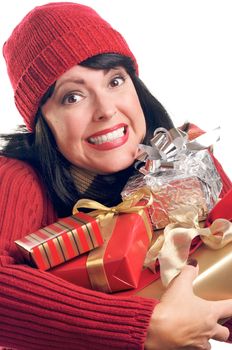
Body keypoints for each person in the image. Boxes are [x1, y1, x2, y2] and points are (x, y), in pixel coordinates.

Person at [0, 2, 232, 350]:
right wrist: (145, 327)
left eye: (115, 80)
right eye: (72, 96)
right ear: (42, 123)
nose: (106, 109)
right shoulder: (17, 177)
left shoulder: (187, 159)